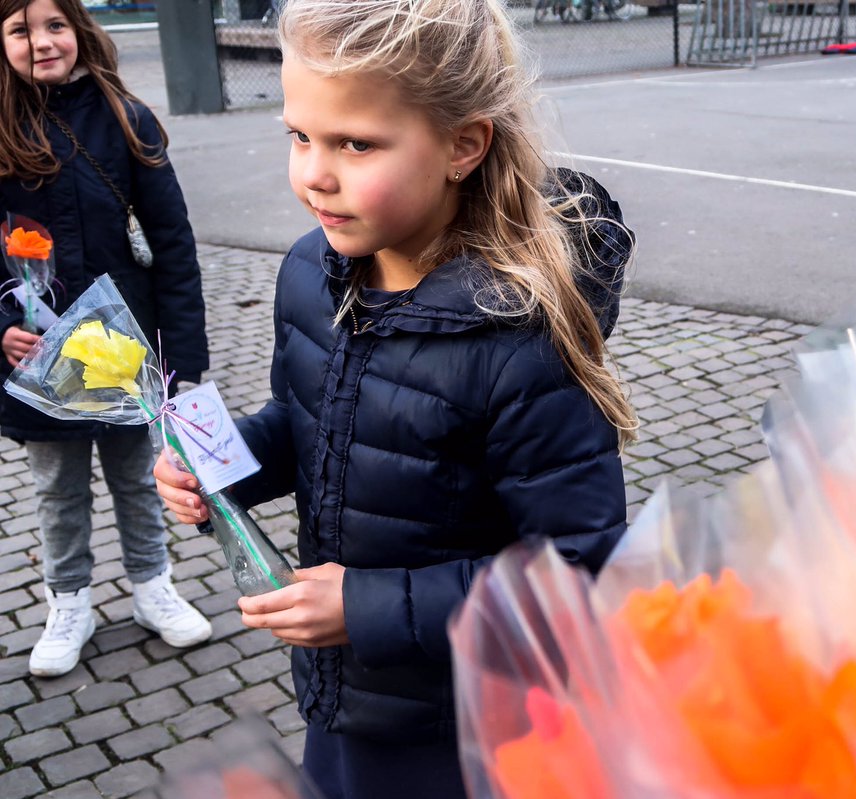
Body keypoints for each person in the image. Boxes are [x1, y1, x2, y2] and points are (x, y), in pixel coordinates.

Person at [153, 0, 636, 796]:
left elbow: (578, 571)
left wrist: (367, 605)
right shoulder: (309, 275)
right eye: (299, 135)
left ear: (462, 146)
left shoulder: (522, 341)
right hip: (346, 697)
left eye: (356, 143)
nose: (315, 173)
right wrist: (219, 464)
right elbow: (303, 423)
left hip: (470, 729)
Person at [0, 0, 212, 677]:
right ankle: (69, 602)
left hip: (124, 343)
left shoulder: (126, 117)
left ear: (79, 30)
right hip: (38, 352)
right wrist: (0, 330)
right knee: (58, 489)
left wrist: (182, 353)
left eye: (55, 25)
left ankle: (153, 585)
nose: (42, 41)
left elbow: (172, 239)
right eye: (20, 29)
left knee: (137, 477)